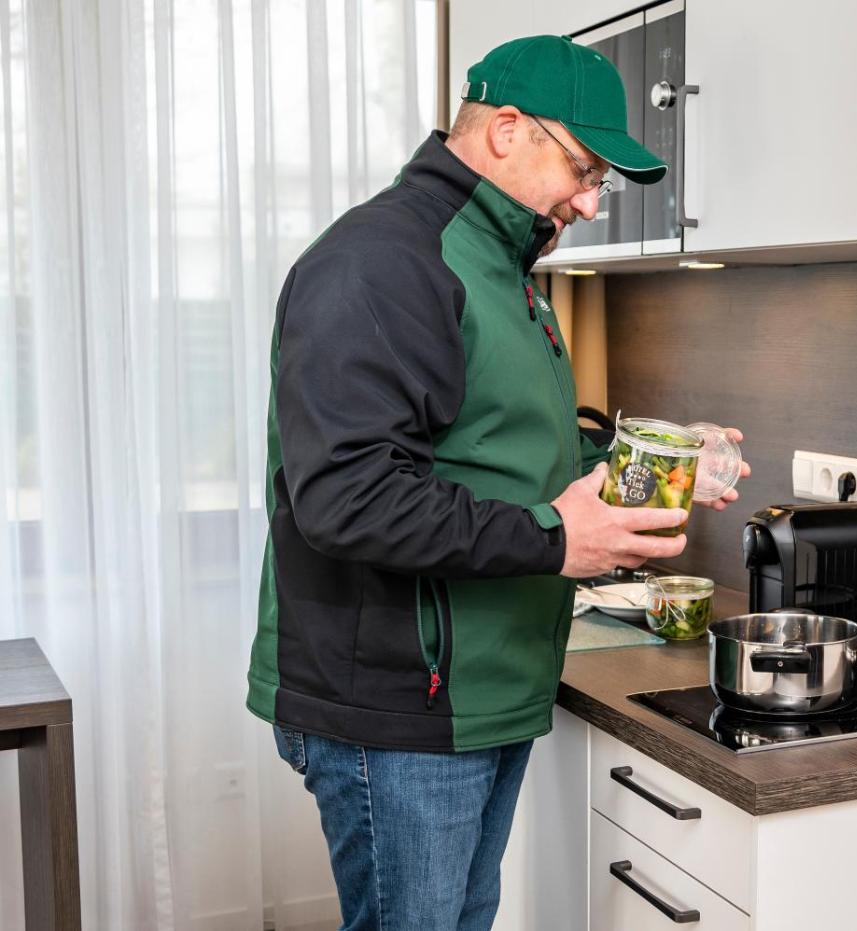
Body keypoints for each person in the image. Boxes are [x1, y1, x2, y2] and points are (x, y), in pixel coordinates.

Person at [244, 34, 748, 930]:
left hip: (482, 692)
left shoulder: (504, 269)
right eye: (585, 170)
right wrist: (557, 539)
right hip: (401, 706)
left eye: (600, 182)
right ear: (508, 130)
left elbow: (515, 458)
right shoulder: (382, 262)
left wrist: (656, 463)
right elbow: (347, 497)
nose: (589, 202)